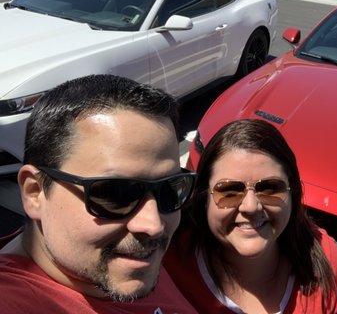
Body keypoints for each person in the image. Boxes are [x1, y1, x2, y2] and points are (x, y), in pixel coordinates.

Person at [0, 75, 198, 314]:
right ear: (35, 192)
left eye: (169, 188)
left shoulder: (122, 258)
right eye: (116, 194)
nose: (153, 225)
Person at [165, 119, 337, 313]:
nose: (251, 206)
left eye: (269, 188)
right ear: (203, 198)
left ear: (293, 195)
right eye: (229, 190)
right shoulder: (166, 262)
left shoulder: (325, 262)